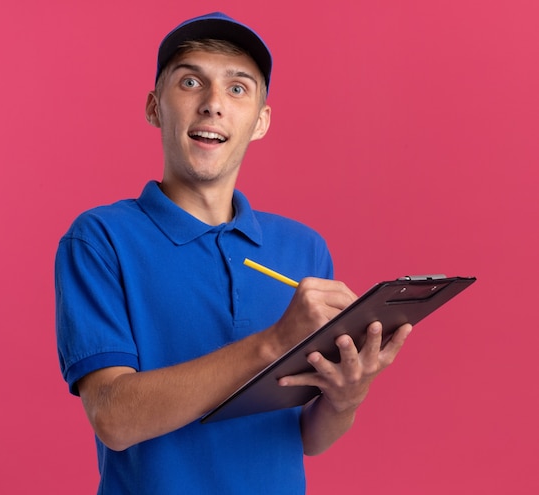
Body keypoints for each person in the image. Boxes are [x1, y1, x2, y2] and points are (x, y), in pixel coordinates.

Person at [55, 12, 412, 494]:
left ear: (260, 121)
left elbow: (306, 436)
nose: (213, 105)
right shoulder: (100, 239)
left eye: (238, 89)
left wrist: (348, 395)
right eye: (190, 82)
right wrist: (273, 343)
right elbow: (113, 418)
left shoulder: (304, 248)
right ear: (155, 106)